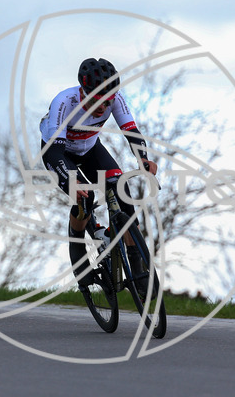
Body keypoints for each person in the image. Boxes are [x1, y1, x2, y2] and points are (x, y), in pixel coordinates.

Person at [39, 57, 158, 286]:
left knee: (121, 189)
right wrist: (71, 182)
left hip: (90, 148)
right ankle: (78, 253)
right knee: (85, 196)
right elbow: (54, 152)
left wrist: (143, 158)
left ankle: (137, 267)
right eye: (97, 101)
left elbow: (131, 130)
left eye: (107, 102)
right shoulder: (64, 102)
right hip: (58, 152)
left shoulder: (115, 98)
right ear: (83, 92)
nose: (103, 107)